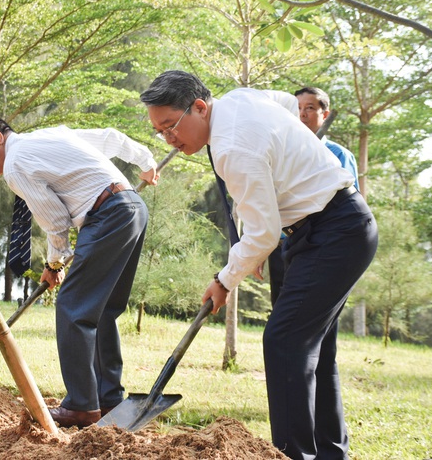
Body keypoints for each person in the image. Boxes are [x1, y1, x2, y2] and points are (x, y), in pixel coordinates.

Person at [140, 70, 378, 460]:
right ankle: (331, 455)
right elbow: (286, 102)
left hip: (333, 232)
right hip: (333, 226)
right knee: (314, 349)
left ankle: (292, 454)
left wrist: (225, 278)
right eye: (159, 131)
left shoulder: (233, 148)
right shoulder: (239, 98)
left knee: (284, 341)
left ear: (199, 107)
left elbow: (264, 237)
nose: (168, 138)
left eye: (171, 126)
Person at [0, 116, 158, 428]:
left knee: (72, 307)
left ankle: (81, 406)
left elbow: (54, 218)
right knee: (103, 310)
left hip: (106, 215)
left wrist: (54, 263)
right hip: (131, 207)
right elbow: (110, 137)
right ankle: (108, 401)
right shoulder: (53, 135)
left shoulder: (14, 164)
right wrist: (145, 161)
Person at [268, 86, 360, 306]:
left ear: (324, 114)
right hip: (283, 245)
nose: (302, 114)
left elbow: (347, 203)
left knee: (318, 313)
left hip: (319, 245)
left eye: (310, 108)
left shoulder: (339, 155)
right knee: (281, 310)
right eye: (297, 108)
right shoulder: (283, 151)